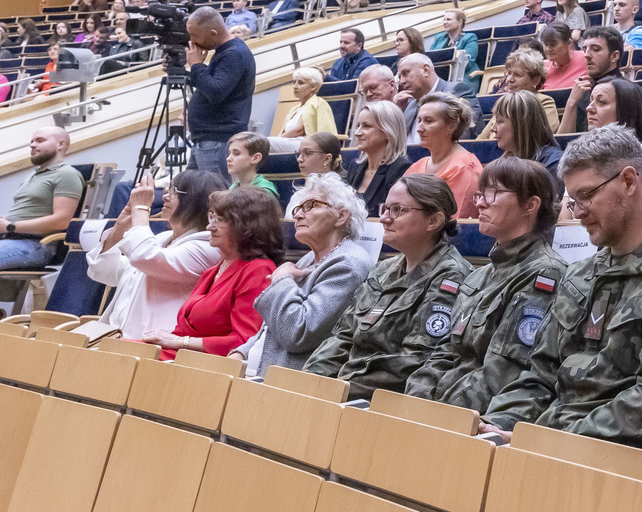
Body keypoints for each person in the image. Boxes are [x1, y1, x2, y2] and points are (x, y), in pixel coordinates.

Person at [478, 126, 642, 479]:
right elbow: (539, 374)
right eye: (572, 200)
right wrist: (496, 426)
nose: (577, 212)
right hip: (551, 449)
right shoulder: (580, 274)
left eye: (586, 195)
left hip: (622, 466)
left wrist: (550, 440)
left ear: (628, 181)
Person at [404, 157, 566, 411]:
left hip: (476, 415)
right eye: (480, 194)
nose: (479, 203)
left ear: (530, 204)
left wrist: (435, 411)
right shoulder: (480, 276)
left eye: (493, 193)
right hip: (440, 407)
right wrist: (415, 397)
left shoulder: (543, 274)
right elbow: (445, 351)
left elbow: (503, 372)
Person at [303, 174, 472, 399]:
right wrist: (309, 380)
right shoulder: (383, 270)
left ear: (433, 220)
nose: (384, 218)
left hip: (381, 401)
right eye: (385, 208)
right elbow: (343, 337)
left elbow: (416, 360)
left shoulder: (451, 277)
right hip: (343, 390)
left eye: (397, 210)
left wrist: (338, 387)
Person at [235, 174, 375, 376]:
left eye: (310, 205)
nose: (298, 215)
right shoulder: (309, 259)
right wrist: (242, 352)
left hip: (289, 383)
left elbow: (298, 333)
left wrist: (282, 280)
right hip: (259, 373)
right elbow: (272, 327)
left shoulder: (349, 264)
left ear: (341, 216)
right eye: (298, 208)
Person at [145, 187, 281, 361]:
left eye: (221, 220)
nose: (210, 226)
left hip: (206, 364)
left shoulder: (259, 270)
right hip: (180, 357)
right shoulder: (213, 271)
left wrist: (182, 341)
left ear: (248, 225)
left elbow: (245, 341)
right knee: (117, 346)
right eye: (212, 217)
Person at [86, 170, 224, 340]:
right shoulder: (162, 239)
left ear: (196, 200)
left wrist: (141, 209)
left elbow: (146, 258)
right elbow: (104, 272)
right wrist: (120, 226)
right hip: (115, 339)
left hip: (154, 347)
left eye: (174, 192)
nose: (165, 196)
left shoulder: (208, 247)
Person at [0, 127, 84, 272]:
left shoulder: (67, 174)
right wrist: (3, 221)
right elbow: (27, 213)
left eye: (40, 141)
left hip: (36, 245)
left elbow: (62, 220)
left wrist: (10, 226)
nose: (32, 145)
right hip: (10, 238)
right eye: (32, 142)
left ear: (60, 144)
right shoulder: (34, 175)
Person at [185, 6, 256, 183]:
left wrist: (196, 66)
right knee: (189, 193)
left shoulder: (234, 54)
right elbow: (209, 83)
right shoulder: (225, 51)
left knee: (217, 195)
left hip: (218, 141)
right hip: (207, 140)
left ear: (213, 33)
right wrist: (183, 71)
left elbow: (216, 92)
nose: (192, 41)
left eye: (195, 36)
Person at [407, 92, 484, 217]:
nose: (419, 129)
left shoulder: (465, 168)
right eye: (419, 121)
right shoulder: (417, 166)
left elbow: (454, 222)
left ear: (452, 126)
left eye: (429, 121)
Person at [346, 100, 412, 217]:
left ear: (388, 131)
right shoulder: (354, 166)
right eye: (358, 126)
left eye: (366, 126)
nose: (357, 133)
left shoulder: (401, 169)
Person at [558, 27, 625, 134]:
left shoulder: (630, 93)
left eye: (595, 49)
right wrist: (571, 103)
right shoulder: (580, 92)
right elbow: (562, 140)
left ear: (614, 56)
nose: (586, 55)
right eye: (584, 49)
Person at [395, 52, 475, 140]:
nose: (401, 81)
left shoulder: (457, 91)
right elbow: (394, 142)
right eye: (399, 77)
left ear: (425, 70)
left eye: (405, 73)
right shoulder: (409, 104)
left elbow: (461, 136)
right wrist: (398, 113)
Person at [278, 67, 338, 140]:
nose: (295, 86)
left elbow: (298, 131)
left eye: (300, 83)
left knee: (267, 143)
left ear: (313, 87)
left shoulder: (319, 104)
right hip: (288, 142)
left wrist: (275, 140)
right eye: (294, 82)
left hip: (306, 144)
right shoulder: (294, 109)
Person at [429, 9, 482, 92]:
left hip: (463, 77)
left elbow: (468, 62)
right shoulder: (439, 38)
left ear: (460, 22)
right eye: (444, 19)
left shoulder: (469, 38)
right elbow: (429, 57)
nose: (445, 22)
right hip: (439, 77)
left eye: (448, 19)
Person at [226, 133, 279, 199]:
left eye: (236, 153)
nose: (228, 158)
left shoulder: (264, 191)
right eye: (229, 153)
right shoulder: (233, 188)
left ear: (256, 158)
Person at [539, 23, 587, 91]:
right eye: (546, 44)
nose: (548, 49)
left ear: (569, 43)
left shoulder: (586, 59)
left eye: (553, 44)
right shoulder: (542, 67)